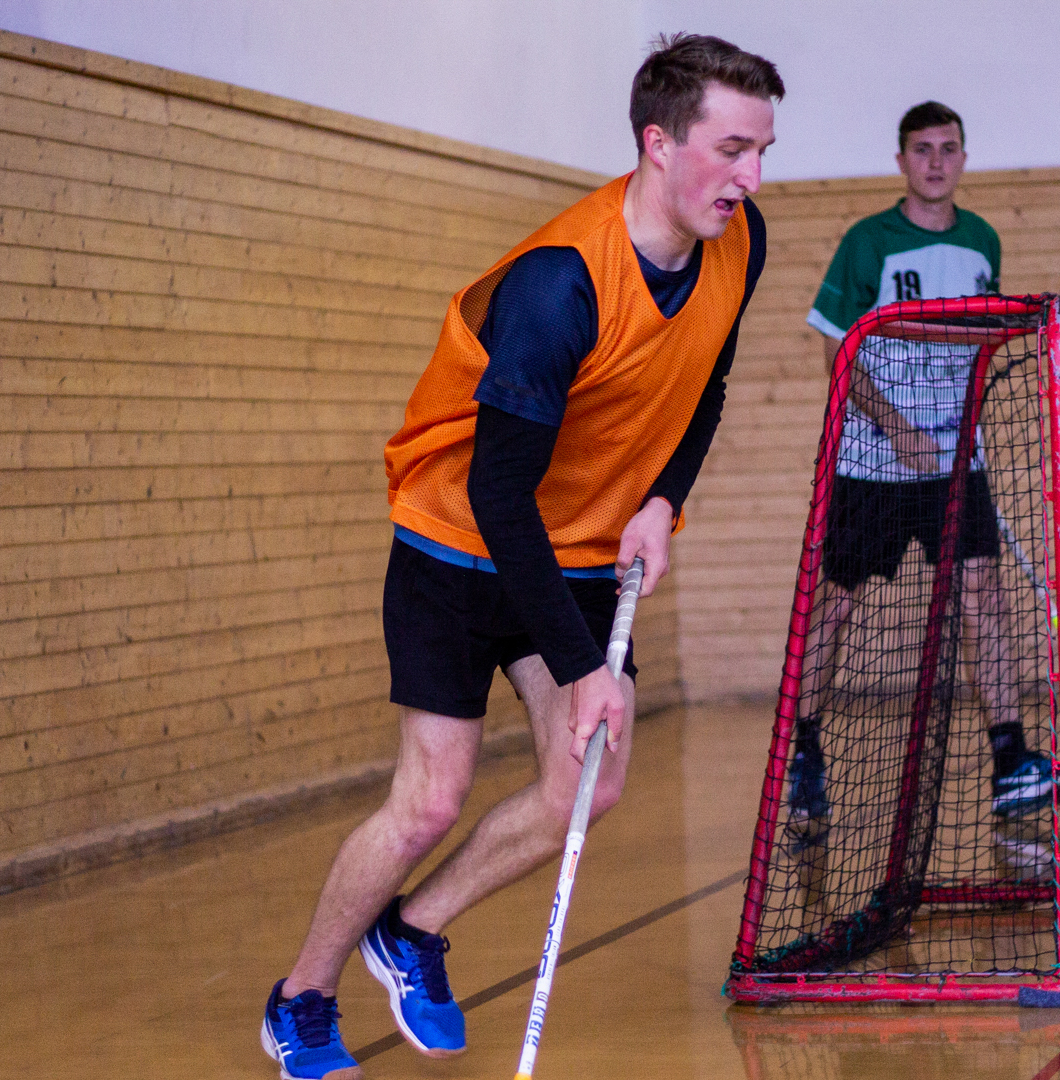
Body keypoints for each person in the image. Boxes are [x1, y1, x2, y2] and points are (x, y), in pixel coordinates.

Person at [257, 35, 782, 1079]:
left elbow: (708, 383)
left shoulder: (739, 242)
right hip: (458, 544)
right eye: (732, 150)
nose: (753, 178)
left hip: (577, 550)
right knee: (429, 800)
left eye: (764, 151)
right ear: (659, 142)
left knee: (587, 782)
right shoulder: (559, 286)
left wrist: (662, 501)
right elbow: (499, 498)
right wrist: (583, 668)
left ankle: (411, 931)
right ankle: (301, 997)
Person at [792, 101, 1060, 825]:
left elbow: (975, 344)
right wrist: (897, 429)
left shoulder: (982, 242)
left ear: (963, 157)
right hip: (874, 464)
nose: (935, 161)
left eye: (948, 148)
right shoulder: (869, 242)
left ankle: (1010, 761)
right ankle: (803, 757)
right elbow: (837, 350)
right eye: (922, 149)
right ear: (901, 160)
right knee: (836, 605)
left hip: (957, 463)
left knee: (985, 595)